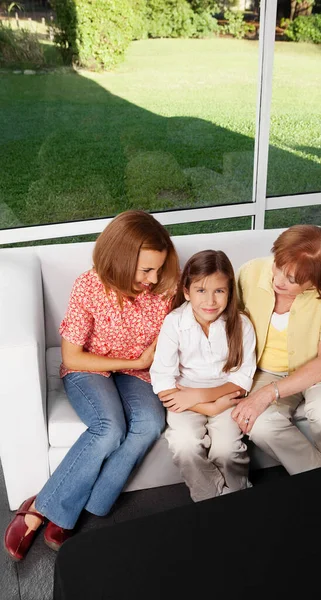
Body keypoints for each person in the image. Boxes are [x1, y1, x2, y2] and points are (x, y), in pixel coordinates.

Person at [4, 210, 180, 561]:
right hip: (91, 368)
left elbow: (174, 332)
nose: (153, 278)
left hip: (138, 374)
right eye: (145, 269)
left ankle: (81, 505)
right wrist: (135, 361)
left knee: (149, 425)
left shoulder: (165, 286)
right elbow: (73, 357)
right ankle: (41, 507)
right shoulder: (89, 286)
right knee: (108, 428)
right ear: (119, 258)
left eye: (158, 268)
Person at [232, 225, 321, 475]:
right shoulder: (250, 272)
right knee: (257, 423)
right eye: (278, 267)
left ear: (317, 282)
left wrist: (269, 393)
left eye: (292, 280)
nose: (278, 280)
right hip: (266, 370)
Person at [150, 250, 256, 502]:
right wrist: (201, 405)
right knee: (184, 445)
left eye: (219, 291)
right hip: (184, 398)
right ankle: (212, 498)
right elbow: (163, 380)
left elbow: (242, 379)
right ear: (186, 291)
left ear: (229, 292)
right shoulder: (174, 323)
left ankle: (238, 490)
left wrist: (208, 400)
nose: (210, 301)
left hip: (225, 396)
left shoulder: (241, 324)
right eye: (201, 291)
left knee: (227, 449)